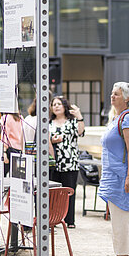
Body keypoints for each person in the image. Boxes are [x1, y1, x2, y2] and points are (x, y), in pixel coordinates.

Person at [99, 82, 129, 256]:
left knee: (121, 217)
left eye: (116, 94)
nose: (112, 96)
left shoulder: (127, 118)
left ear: (126, 98)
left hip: (121, 175)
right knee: (124, 215)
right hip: (115, 175)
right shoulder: (117, 118)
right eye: (112, 93)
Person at [50, 96, 85, 228]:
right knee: (54, 193)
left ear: (65, 106)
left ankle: (70, 220)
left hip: (70, 162)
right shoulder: (48, 123)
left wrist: (79, 116)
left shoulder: (72, 122)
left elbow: (81, 132)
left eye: (59, 104)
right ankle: (54, 219)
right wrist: (52, 140)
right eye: (54, 104)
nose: (56, 106)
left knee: (69, 191)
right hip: (54, 163)